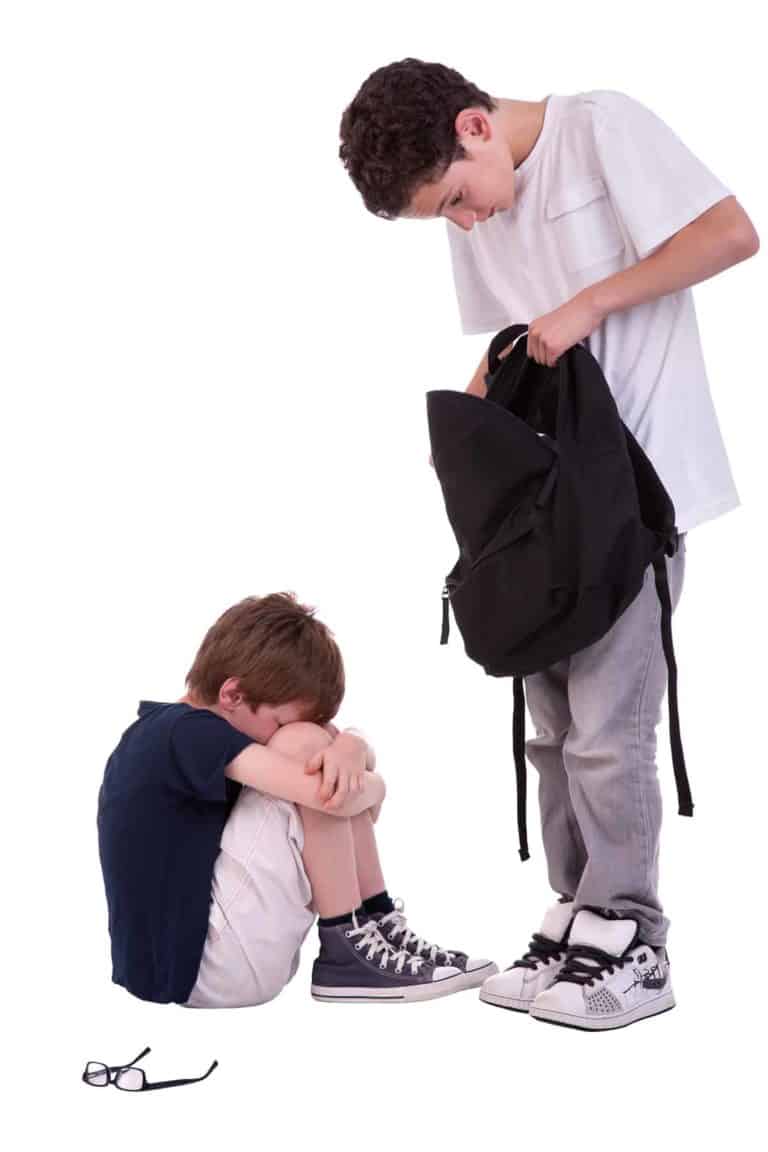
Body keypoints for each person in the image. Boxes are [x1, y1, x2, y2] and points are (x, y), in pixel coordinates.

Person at [338, 60, 759, 1029]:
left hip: (634, 502)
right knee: (554, 735)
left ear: (476, 127)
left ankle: (634, 936)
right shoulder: (477, 206)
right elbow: (512, 352)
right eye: (441, 219)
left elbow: (733, 232)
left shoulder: (598, 129)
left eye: (454, 201)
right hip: (544, 516)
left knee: (611, 735)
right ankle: (578, 924)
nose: (465, 225)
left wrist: (596, 301)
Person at [97, 592, 496, 1008]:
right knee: (306, 747)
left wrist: (353, 747)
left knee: (320, 747)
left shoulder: (170, 731)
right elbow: (331, 797)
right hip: (205, 964)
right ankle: (347, 944)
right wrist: (375, 784)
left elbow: (336, 777)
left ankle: (375, 924)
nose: (276, 734)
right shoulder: (185, 731)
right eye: (278, 720)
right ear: (232, 695)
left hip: (205, 961)